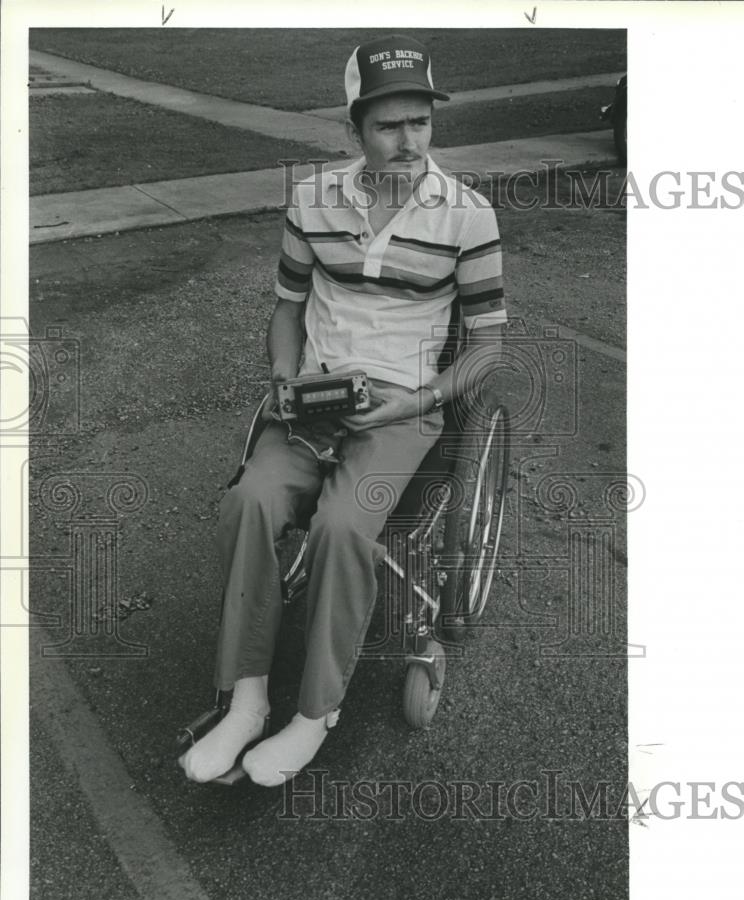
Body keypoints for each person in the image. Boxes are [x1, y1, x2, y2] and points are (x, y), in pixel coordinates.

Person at [180, 34, 507, 786]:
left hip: (403, 406)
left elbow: (489, 346)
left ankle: (313, 713)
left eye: (419, 122)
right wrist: (283, 376)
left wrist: (417, 400)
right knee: (249, 504)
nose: (407, 141)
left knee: (340, 526)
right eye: (388, 125)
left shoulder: (468, 214)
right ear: (352, 127)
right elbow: (287, 309)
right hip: (312, 399)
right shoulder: (310, 200)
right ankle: (248, 701)